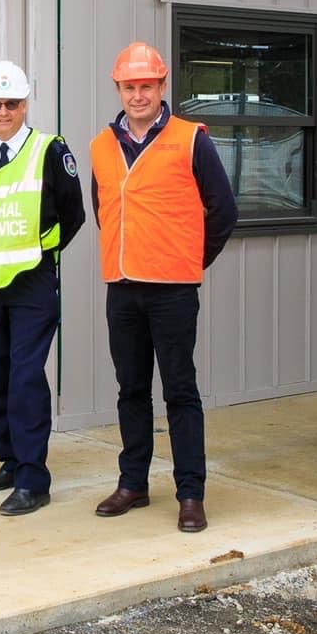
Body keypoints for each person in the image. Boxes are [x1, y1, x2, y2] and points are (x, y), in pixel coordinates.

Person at [88, 42, 237, 533]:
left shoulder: (191, 139)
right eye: (129, 86)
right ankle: (132, 483)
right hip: (122, 287)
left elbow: (224, 212)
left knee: (179, 390)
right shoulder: (100, 146)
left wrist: (191, 260)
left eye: (146, 85)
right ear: (119, 89)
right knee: (130, 389)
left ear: (161, 86)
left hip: (172, 289)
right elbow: (104, 213)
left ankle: (190, 494)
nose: (137, 94)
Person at [0, 61, 86, 517]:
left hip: (32, 282)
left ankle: (34, 477)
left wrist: (42, 253)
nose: (4, 112)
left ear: (26, 104)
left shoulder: (49, 149)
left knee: (25, 378)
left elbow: (73, 215)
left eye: (12, 104)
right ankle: (9, 461)